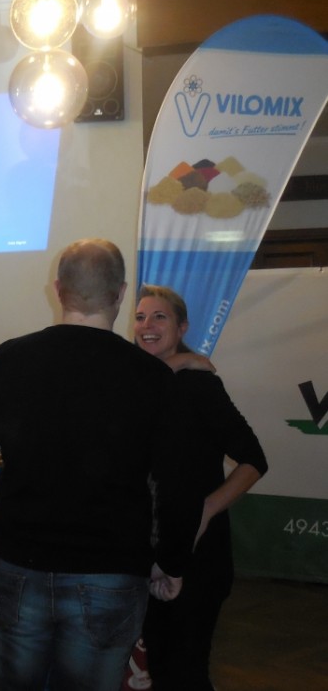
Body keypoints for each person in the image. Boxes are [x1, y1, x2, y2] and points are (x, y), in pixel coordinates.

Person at [0, 238, 200, 691]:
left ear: (59, 289)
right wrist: (172, 561)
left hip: (20, 570)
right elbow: (180, 486)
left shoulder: (9, 361)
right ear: (121, 294)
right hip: (113, 573)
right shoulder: (154, 378)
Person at [134, 284, 268, 691]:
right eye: (140, 317)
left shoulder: (199, 386)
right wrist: (180, 361)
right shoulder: (134, 385)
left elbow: (254, 461)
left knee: (185, 671)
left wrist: (206, 511)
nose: (147, 325)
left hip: (197, 557)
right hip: (146, 554)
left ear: (182, 327)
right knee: (156, 665)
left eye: (159, 316)